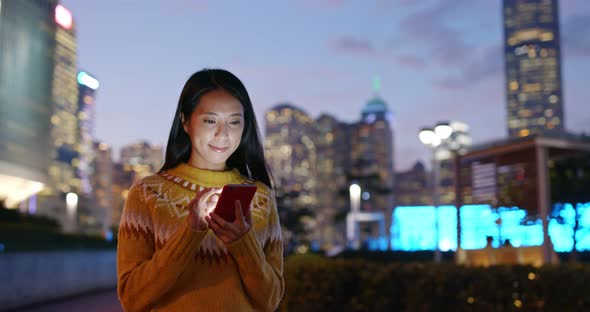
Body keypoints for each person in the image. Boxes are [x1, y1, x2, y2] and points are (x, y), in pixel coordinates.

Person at [117, 69, 284, 311]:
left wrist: (242, 242)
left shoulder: (260, 198)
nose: (222, 134)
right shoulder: (148, 193)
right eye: (210, 120)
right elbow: (132, 298)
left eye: (234, 122)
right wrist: (190, 232)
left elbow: (270, 300)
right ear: (185, 121)